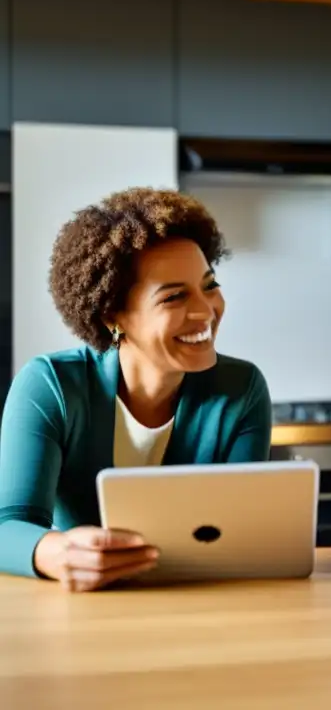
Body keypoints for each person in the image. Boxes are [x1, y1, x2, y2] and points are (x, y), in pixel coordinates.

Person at [0, 188, 272, 591]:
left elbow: (239, 531)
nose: (206, 312)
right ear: (113, 315)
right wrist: (55, 553)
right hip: (83, 610)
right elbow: (9, 526)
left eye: (209, 285)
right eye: (175, 296)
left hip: (197, 603)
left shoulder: (242, 389)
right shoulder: (51, 384)